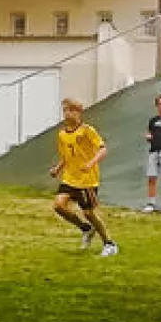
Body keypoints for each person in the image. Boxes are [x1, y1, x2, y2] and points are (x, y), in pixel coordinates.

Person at [49, 98, 118, 257]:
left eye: (71, 110)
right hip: (69, 178)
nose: (67, 113)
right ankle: (85, 228)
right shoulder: (62, 134)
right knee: (59, 206)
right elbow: (67, 156)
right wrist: (57, 169)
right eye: (65, 110)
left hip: (87, 180)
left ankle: (109, 243)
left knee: (89, 213)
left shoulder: (87, 131)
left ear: (79, 113)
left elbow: (102, 150)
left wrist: (90, 163)